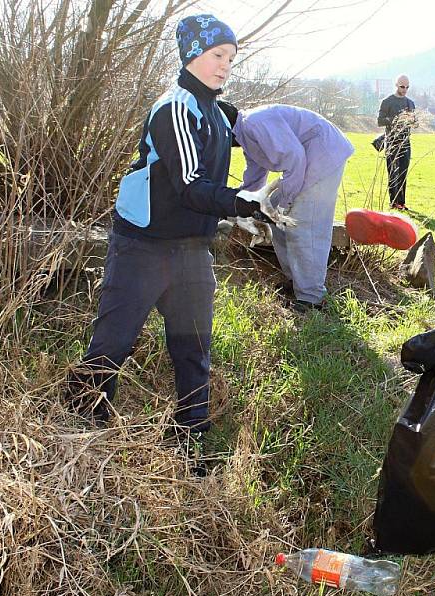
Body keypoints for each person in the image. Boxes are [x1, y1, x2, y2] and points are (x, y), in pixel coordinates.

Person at [66, 14, 277, 443]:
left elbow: (257, 136)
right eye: (217, 55)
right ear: (192, 54)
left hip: (193, 248)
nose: (225, 66)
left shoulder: (218, 113)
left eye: (232, 59)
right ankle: (80, 432)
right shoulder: (174, 107)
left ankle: (190, 436)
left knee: (193, 348)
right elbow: (189, 185)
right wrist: (241, 202)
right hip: (143, 244)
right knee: (113, 341)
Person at [225, 103, 355, 312]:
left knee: (303, 225)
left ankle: (312, 298)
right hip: (308, 161)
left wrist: (286, 202)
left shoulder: (254, 123)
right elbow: (256, 177)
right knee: (276, 220)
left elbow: (295, 158)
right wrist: (237, 202)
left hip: (323, 155)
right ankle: (297, 283)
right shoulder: (246, 134)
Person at [377, 75, 416, 210]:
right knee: (393, 172)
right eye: (402, 86)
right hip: (392, 142)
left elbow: (414, 123)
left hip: (405, 142)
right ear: (396, 85)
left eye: (407, 87)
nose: (404, 89)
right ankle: (393, 203)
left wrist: (412, 121)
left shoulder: (410, 103)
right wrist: (396, 119)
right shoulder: (387, 102)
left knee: (403, 173)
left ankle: (402, 203)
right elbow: (380, 121)